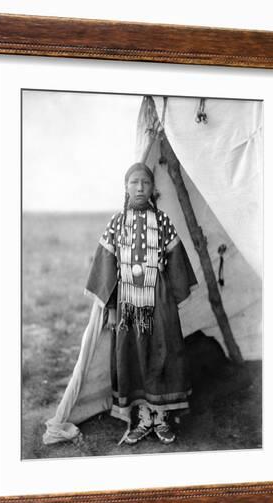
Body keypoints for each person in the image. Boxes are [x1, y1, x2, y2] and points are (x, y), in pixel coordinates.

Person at [84, 162, 198, 445]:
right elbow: (106, 266)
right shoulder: (116, 223)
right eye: (134, 182)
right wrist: (110, 307)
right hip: (127, 300)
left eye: (145, 183)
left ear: (152, 189)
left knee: (163, 350)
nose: (139, 187)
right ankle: (143, 416)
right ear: (126, 187)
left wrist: (171, 301)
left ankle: (162, 418)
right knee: (131, 352)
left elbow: (177, 264)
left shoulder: (162, 222)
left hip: (158, 299)